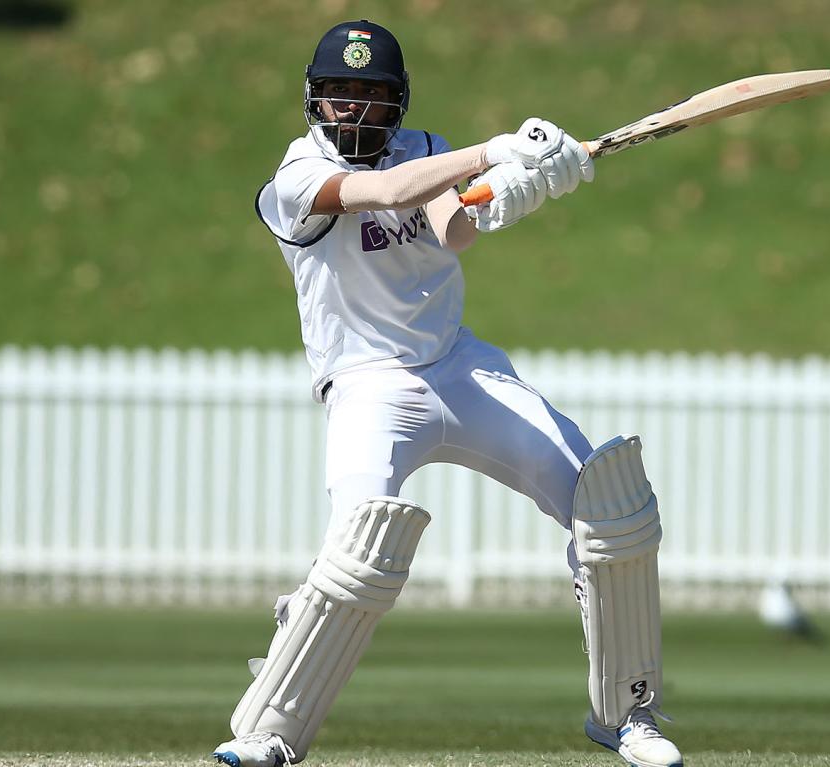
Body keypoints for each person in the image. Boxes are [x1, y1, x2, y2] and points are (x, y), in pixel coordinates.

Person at [214, 19, 682, 767]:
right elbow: (382, 192)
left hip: (456, 365)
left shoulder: (423, 149)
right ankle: (269, 729)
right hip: (368, 384)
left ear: (396, 102)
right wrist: (493, 151)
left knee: (609, 504)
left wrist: (521, 189)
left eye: (369, 95)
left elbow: (453, 228)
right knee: (358, 553)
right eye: (338, 93)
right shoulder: (296, 177)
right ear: (314, 99)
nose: (353, 110)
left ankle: (627, 713)